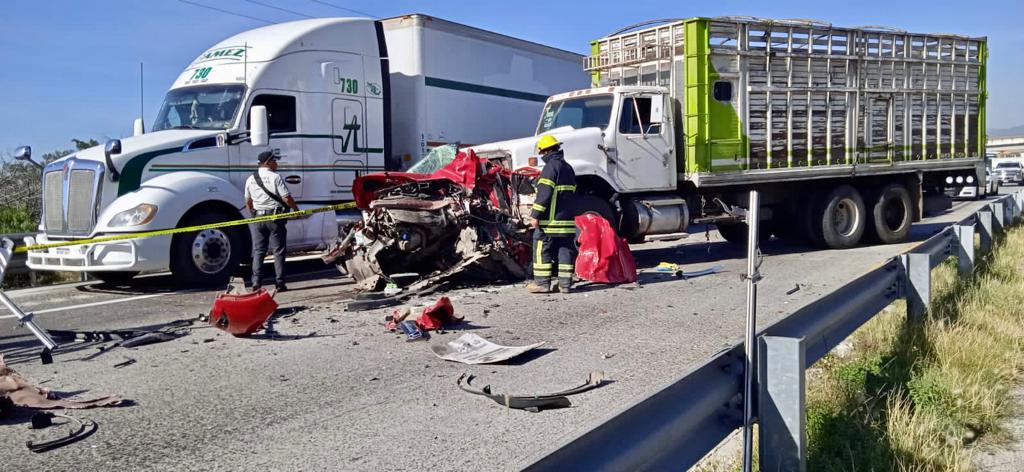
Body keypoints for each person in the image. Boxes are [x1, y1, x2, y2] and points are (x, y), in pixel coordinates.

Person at [527, 135, 578, 294]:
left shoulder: (550, 168)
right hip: (567, 221)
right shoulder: (568, 168)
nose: (541, 156)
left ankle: (542, 283)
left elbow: (544, 194)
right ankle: (565, 285)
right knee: (565, 251)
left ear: (546, 151)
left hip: (550, 221)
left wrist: (535, 215)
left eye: (541, 153)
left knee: (542, 248)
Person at [245, 150, 300, 292]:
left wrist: (254, 214)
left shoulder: (250, 179)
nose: (277, 163)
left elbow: (248, 202)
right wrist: (296, 209)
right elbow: (286, 198)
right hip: (275, 219)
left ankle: (256, 282)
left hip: (258, 218)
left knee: (259, 251)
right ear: (267, 162)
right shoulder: (275, 177)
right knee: (279, 251)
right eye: (275, 161)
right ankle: (280, 283)